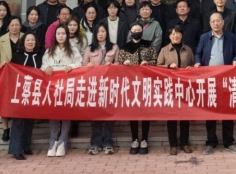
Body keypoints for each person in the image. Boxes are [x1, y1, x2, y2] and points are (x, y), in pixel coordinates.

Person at [195, 11, 236, 155]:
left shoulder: (230, 37)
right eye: (213, 21)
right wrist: (197, 62)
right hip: (209, 79)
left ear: (223, 22)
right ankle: (211, 142)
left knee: (228, 111)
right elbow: (198, 53)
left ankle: (228, 142)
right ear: (210, 24)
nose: (216, 23)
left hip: (226, 79)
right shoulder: (204, 37)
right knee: (210, 112)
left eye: (218, 21)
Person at [42, 25, 82, 157]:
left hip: (67, 87)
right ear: (55, 35)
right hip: (53, 87)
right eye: (58, 33)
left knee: (65, 113)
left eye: (63, 33)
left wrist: (71, 66)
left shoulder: (73, 49)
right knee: (53, 113)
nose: (60, 36)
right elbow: (43, 65)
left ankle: (63, 141)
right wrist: (46, 67)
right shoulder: (49, 51)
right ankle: (53, 140)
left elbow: (79, 64)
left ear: (67, 35)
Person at [119, 23, 158, 155]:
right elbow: (119, 65)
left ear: (142, 31)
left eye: (139, 30)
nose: (136, 32)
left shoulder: (149, 45)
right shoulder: (124, 48)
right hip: (131, 84)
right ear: (130, 32)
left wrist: (148, 63)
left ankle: (145, 139)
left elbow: (155, 61)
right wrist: (124, 64)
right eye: (134, 30)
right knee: (133, 112)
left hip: (146, 83)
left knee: (145, 111)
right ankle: (135, 139)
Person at [83, 22, 120, 156]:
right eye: (98, 32)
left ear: (107, 33)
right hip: (94, 86)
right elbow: (83, 65)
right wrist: (88, 66)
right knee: (95, 115)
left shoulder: (114, 47)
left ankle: (108, 142)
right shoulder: (89, 49)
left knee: (109, 114)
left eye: (103, 31)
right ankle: (95, 143)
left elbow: (119, 63)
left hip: (109, 86)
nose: (100, 34)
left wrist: (112, 65)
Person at [157, 25, 194, 155]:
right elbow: (157, 66)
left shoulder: (188, 49)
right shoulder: (164, 50)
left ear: (182, 35)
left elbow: (193, 64)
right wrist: (168, 66)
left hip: (185, 87)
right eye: (173, 34)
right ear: (169, 36)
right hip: (170, 88)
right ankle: (173, 144)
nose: (175, 36)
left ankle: (184, 143)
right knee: (171, 117)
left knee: (185, 117)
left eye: (178, 33)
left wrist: (191, 68)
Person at [9, 32, 44, 160]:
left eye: (32, 40)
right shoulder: (16, 56)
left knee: (29, 120)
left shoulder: (40, 57)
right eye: (27, 40)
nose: (30, 42)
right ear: (23, 42)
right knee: (18, 121)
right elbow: (11, 73)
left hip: (34, 92)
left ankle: (25, 146)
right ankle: (16, 150)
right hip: (19, 93)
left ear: (36, 42)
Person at [0, 16, 23, 142]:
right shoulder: (1, 40)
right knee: (4, 103)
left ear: (20, 26)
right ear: (8, 26)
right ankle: (5, 129)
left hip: (21, 77)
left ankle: (18, 128)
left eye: (17, 25)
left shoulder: (26, 37)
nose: (15, 27)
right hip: (5, 76)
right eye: (12, 25)